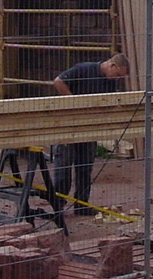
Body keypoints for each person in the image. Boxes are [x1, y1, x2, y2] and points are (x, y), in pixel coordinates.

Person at [51, 53, 130, 215]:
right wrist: (74, 103)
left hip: (89, 128)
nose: (117, 79)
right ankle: (57, 205)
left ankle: (81, 204)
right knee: (63, 166)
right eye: (118, 75)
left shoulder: (109, 83)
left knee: (85, 167)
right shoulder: (84, 69)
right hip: (68, 126)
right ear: (111, 65)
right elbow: (58, 81)